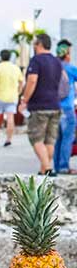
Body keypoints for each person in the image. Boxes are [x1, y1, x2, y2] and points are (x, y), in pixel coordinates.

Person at [22, 33, 66, 176]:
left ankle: (47, 168)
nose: (34, 47)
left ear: (39, 44)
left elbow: (32, 81)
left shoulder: (36, 60)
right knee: (49, 140)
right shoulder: (57, 62)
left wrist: (25, 100)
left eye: (35, 44)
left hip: (39, 106)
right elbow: (64, 81)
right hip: (55, 105)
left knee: (36, 138)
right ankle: (43, 170)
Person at [0, 49, 24, 146]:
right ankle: (8, 140)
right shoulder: (16, 68)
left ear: (1, 57)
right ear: (10, 57)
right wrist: (19, 91)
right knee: (10, 117)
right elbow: (21, 81)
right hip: (13, 96)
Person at [57, 40, 77, 175]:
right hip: (67, 108)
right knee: (67, 137)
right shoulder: (70, 68)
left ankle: (57, 165)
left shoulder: (54, 67)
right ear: (67, 54)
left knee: (57, 138)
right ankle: (64, 166)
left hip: (54, 107)